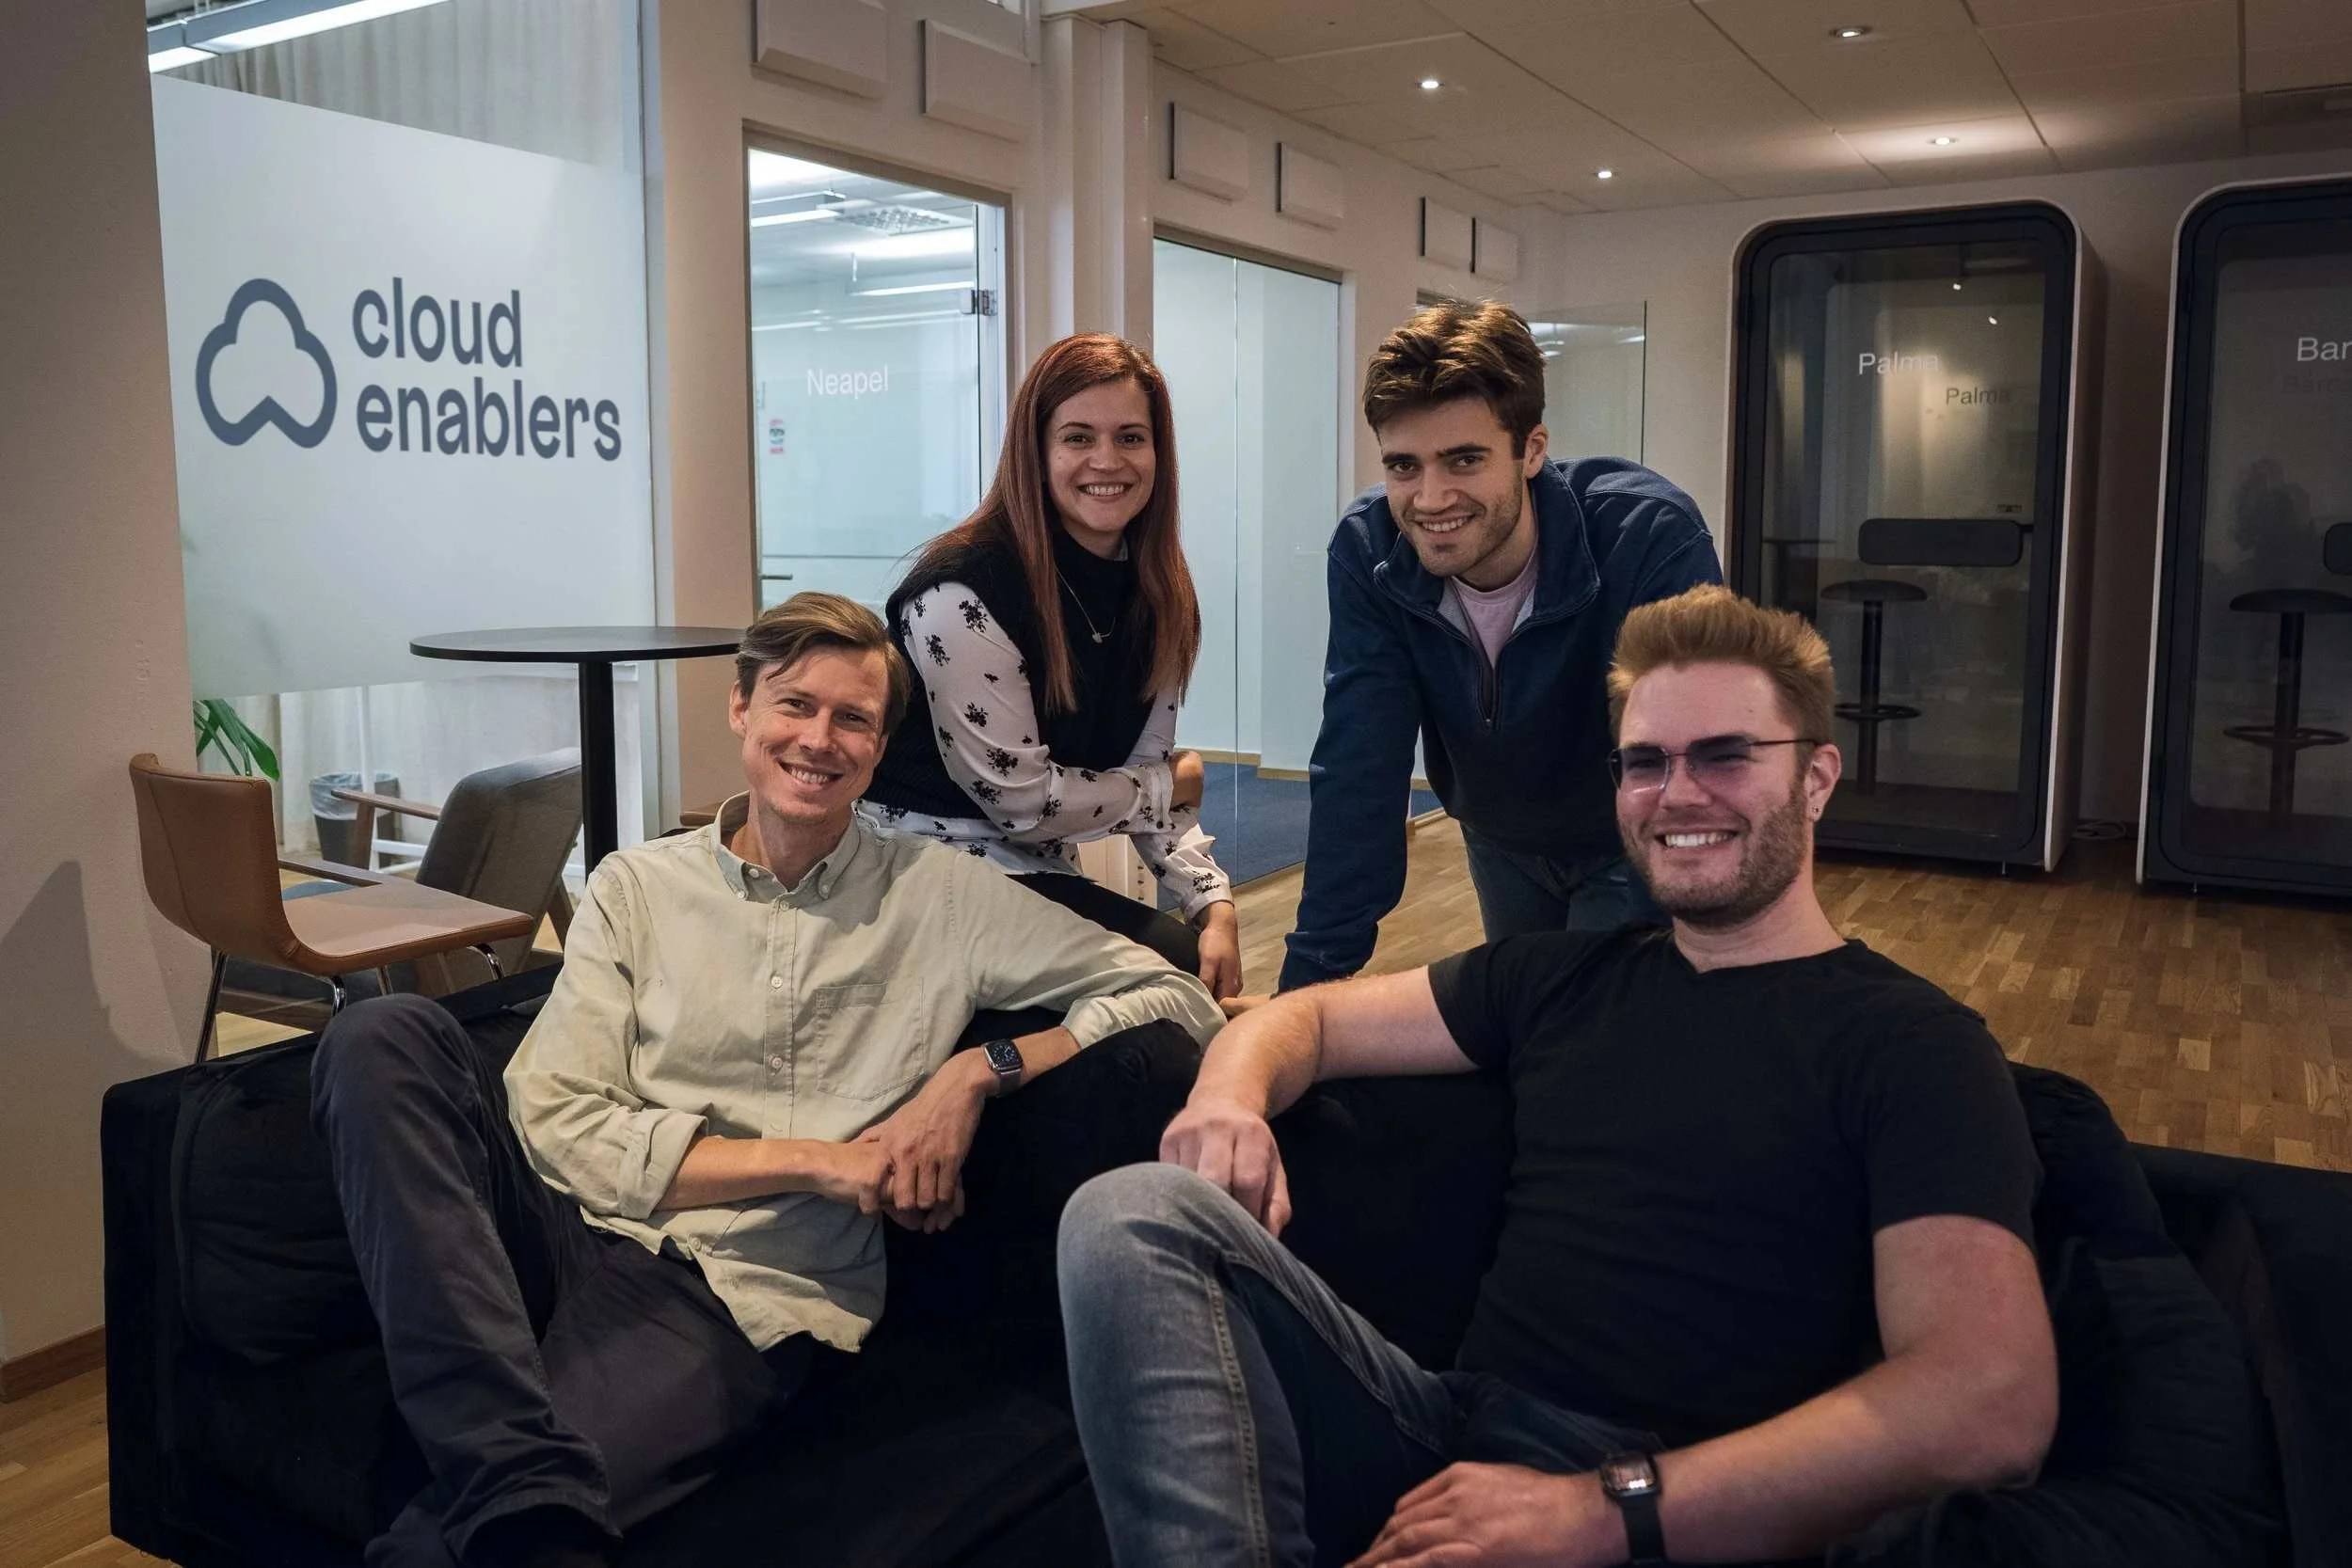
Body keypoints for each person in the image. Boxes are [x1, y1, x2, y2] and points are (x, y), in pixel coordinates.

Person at [1059, 585, 2055, 1567]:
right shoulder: (1560, 975)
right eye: (1645, 762)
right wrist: (1227, 1096)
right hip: (1446, 1433)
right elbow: (1302, 1017)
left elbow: (1987, 1398)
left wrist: (1600, 1510)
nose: (1678, 793)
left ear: (1816, 777)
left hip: (1672, 1499)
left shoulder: (1914, 1042)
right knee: (1130, 1212)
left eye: (1724, 755)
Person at [309, 593, 1224, 1568]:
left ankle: (506, 1483)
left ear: (880, 746)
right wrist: (824, 1164)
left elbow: (1172, 997)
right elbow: (548, 1118)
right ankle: (519, 1479)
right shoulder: (638, 884)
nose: (818, 739)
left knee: (440, 1544)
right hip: (559, 1227)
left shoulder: (941, 895)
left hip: (733, 1288)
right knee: (380, 1033)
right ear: (740, 707)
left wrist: (979, 1068)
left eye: (852, 718)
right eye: (794, 704)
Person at [1279, 301, 1722, 993]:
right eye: (1404, 465)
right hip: (1500, 837)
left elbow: (1685, 764)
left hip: (1627, 843)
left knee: (1599, 1038)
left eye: (1463, 459)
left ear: (1532, 450)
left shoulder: (1645, 535)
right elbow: (1359, 763)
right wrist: (1304, 989)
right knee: (1524, 1027)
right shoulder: (1369, 550)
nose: (1431, 497)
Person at [863, 333, 1243, 998]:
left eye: (1131, 437)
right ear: (1036, 454)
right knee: (1167, 989)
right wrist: (1163, 786)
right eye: (1077, 437)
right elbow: (1022, 803)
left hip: (1037, 872)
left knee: (1190, 967)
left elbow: (1148, 769)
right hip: (920, 872)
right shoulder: (960, 591)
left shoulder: (1159, 590)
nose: (1107, 460)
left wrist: (1212, 899)